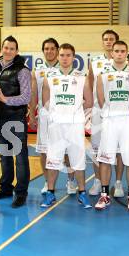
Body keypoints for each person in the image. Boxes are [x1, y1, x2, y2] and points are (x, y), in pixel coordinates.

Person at [40, 43, 93, 208]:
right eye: (62, 55)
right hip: (56, 125)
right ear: (58, 56)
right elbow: (45, 101)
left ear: (74, 57)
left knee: (78, 160)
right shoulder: (49, 77)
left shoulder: (81, 77)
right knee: (53, 160)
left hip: (75, 125)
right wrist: (58, 113)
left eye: (68, 55)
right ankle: (50, 193)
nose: (64, 58)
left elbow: (89, 101)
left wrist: (73, 111)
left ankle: (82, 193)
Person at [94, 41, 129, 211]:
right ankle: (104, 195)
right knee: (106, 158)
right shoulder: (103, 74)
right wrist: (110, 111)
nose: (119, 54)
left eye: (123, 51)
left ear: (127, 53)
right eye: (117, 51)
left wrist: (128, 112)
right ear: (112, 53)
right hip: (109, 120)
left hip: (128, 120)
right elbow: (101, 99)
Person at [29, 38, 77, 196]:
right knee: (44, 151)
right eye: (46, 49)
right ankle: (47, 182)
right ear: (43, 51)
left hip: (63, 116)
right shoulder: (37, 71)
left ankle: (71, 181)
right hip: (45, 116)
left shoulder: (66, 69)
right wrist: (32, 115)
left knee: (67, 151)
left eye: (52, 49)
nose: (49, 51)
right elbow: (34, 94)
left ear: (57, 51)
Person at [0, 36, 31, 208]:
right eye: (6, 47)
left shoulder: (23, 70)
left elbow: (26, 96)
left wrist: (6, 100)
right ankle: (5, 188)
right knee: (4, 155)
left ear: (16, 51)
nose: (8, 51)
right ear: (2, 48)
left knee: (20, 157)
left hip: (15, 119)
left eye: (12, 48)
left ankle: (21, 193)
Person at [88, 30, 125, 198]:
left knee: (118, 150)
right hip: (98, 112)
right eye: (106, 39)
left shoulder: (124, 63)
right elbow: (89, 85)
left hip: (117, 113)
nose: (109, 42)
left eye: (112, 39)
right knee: (96, 149)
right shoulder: (95, 62)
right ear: (102, 42)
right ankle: (97, 180)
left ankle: (118, 183)